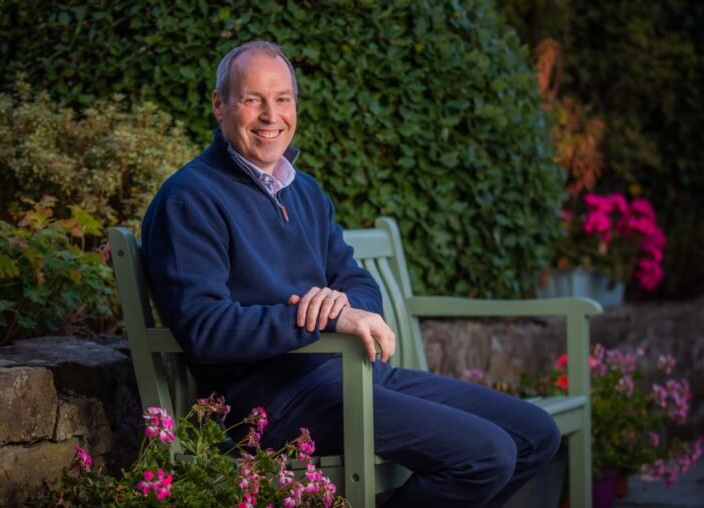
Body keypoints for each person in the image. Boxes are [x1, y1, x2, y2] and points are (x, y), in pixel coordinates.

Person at [141, 40, 560, 507]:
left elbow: (358, 282)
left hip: (357, 375)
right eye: (252, 99)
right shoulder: (189, 198)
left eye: (282, 99)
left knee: (535, 434)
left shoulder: (305, 193)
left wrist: (345, 309)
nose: (270, 115)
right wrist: (318, 318)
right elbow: (205, 328)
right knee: (486, 455)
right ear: (220, 104)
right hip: (275, 402)